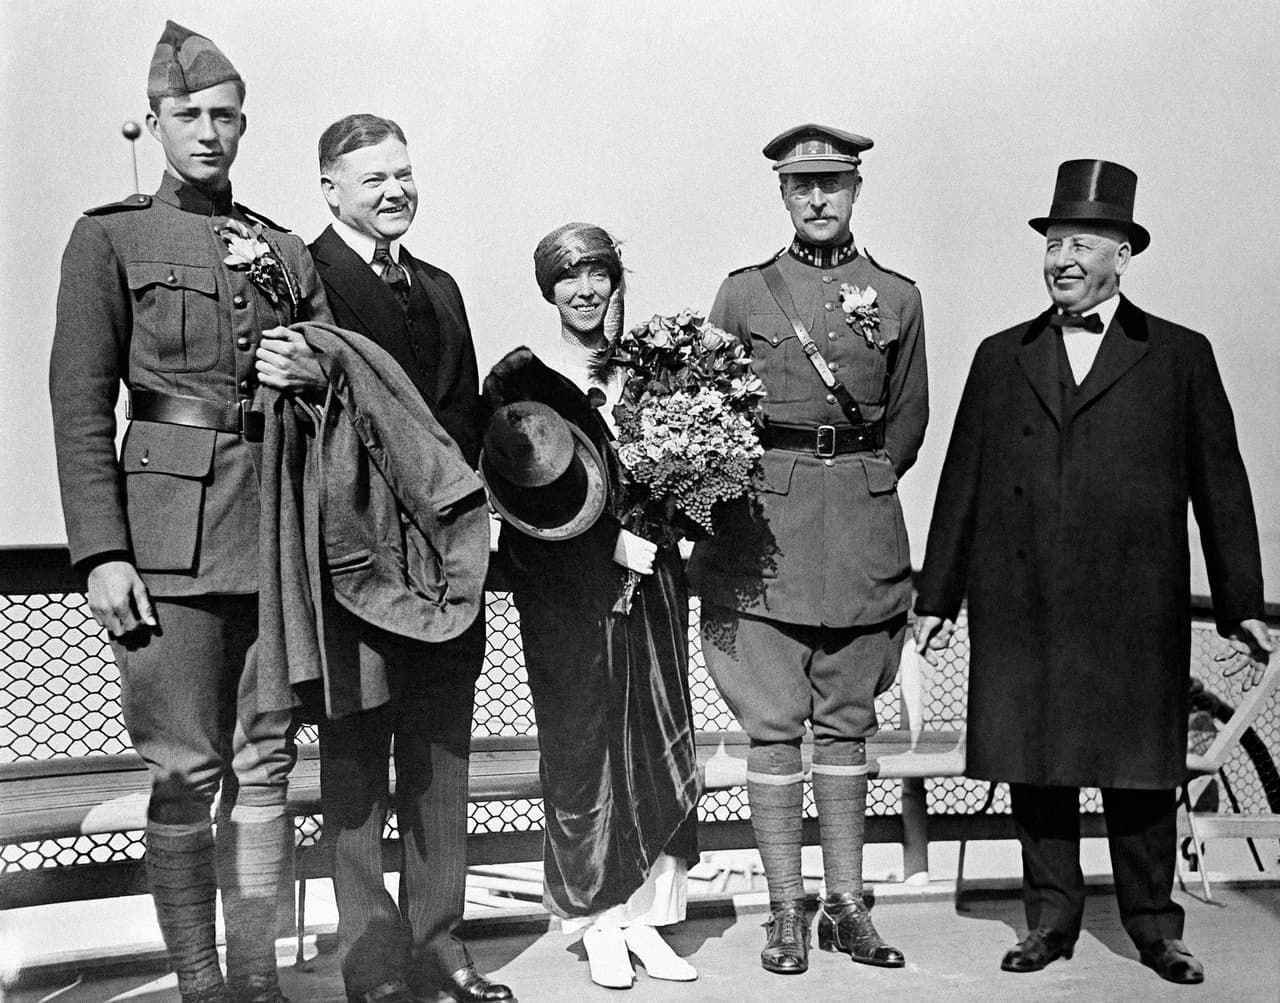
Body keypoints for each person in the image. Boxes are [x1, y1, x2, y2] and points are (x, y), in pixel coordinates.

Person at [913, 159, 1273, 986]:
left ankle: (1155, 926)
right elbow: (962, 479)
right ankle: (1051, 921)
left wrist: (1242, 602)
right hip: (1024, 599)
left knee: (1140, 770)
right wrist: (937, 597)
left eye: (1081, 242)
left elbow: (1221, 483)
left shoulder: (1181, 354)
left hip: (1132, 603)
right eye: (1053, 243)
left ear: (1123, 254)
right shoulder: (1000, 356)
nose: (1062, 258)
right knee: (1037, 763)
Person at [48, 21, 331, 1003]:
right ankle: (202, 981)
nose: (207, 132)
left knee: (263, 767)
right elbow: (81, 400)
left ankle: (256, 977)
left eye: (224, 116)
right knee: (187, 768)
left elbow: (334, 376)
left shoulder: (285, 249)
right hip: (165, 540)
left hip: (273, 531)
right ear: (156, 121)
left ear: (244, 126)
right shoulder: (110, 237)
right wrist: (100, 553)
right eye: (188, 115)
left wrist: (312, 365)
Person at [687, 124, 928, 977]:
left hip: (862, 535)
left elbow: (908, 421)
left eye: (832, 182)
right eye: (801, 186)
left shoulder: (896, 296)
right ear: (782, 195)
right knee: (772, 728)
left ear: (857, 188)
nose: (818, 198)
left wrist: (859, 485)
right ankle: (788, 909)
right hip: (762, 539)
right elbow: (704, 414)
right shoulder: (746, 293)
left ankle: (849, 906)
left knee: (848, 725)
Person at [305, 114, 511, 1003]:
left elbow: (460, 418)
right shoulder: (304, 277)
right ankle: (372, 959)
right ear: (331, 190)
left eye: (404, 173)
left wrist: (463, 523)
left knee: (438, 750)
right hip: (351, 554)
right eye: (373, 178)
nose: (395, 191)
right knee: (355, 755)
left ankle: (440, 941)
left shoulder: (442, 287)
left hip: (443, 560)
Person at [478, 223, 700, 991]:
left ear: (613, 279)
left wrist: (675, 523)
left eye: (597, 274)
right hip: (567, 594)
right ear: (549, 289)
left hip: (656, 587)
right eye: (568, 278)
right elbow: (517, 504)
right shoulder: (520, 385)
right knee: (581, 745)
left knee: (655, 736)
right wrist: (607, 544)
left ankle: (648, 920)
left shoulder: (658, 371)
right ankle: (599, 922)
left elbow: (695, 469)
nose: (585, 290)